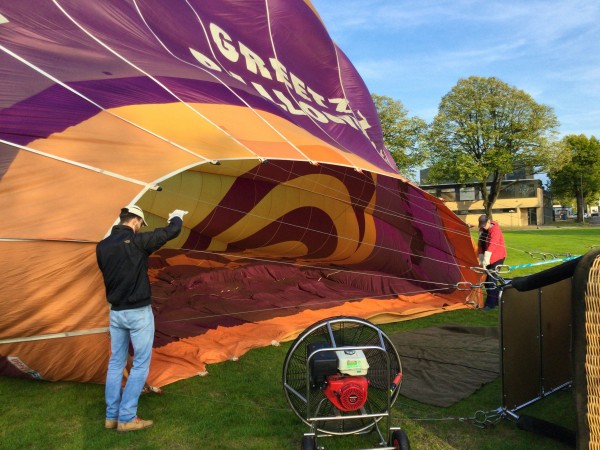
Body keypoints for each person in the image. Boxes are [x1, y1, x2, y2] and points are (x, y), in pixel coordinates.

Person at [96, 205, 187, 432]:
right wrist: (176, 217)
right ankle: (126, 417)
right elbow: (170, 232)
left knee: (116, 362)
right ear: (136, 221)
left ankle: (111, 417)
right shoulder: (138, 242)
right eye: (140, 224)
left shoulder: (102, 246)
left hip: (116, 312)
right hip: (138, 312)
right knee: (139, 365)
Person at [477, 214, 507, 310]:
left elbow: (492, 246)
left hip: (497, 257)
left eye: (484, 224)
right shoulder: (482, 230)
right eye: (481, 225)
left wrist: (486, 259)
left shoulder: (495, 230)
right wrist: (481, 258)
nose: (483, 226)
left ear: (489, 221)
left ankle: (490, 304)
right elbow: (480, 244)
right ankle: (498, 298)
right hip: (488, 258)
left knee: (491, 280)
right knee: (486, 281)